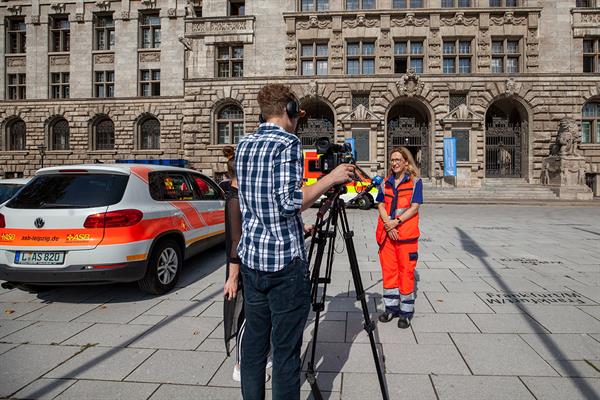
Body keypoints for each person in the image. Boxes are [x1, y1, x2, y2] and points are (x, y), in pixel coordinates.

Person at [235, 83, 355, 400]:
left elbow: (256, 201)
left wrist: (295, 226)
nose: (298, 120)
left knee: (254, 347)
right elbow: (289, 202)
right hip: (283, 265)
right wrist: (331, 178)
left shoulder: (243, 143)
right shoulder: (288, 143)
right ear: (288, 111)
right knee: (287, 352)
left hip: (252, 259)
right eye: (297, 113)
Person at [375, 147, 423, 329]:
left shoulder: (416, 182)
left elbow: (415, 206)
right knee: (389, 272)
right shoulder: (385, 182)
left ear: (406, 162)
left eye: (398, 160)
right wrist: (388, 223)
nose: (394, 163)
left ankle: (406, 312)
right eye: (392, 160)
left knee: (406, 273)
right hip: (387, 235)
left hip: (406, 235)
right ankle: (390, 308)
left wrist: (396, 222)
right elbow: (380, 204)